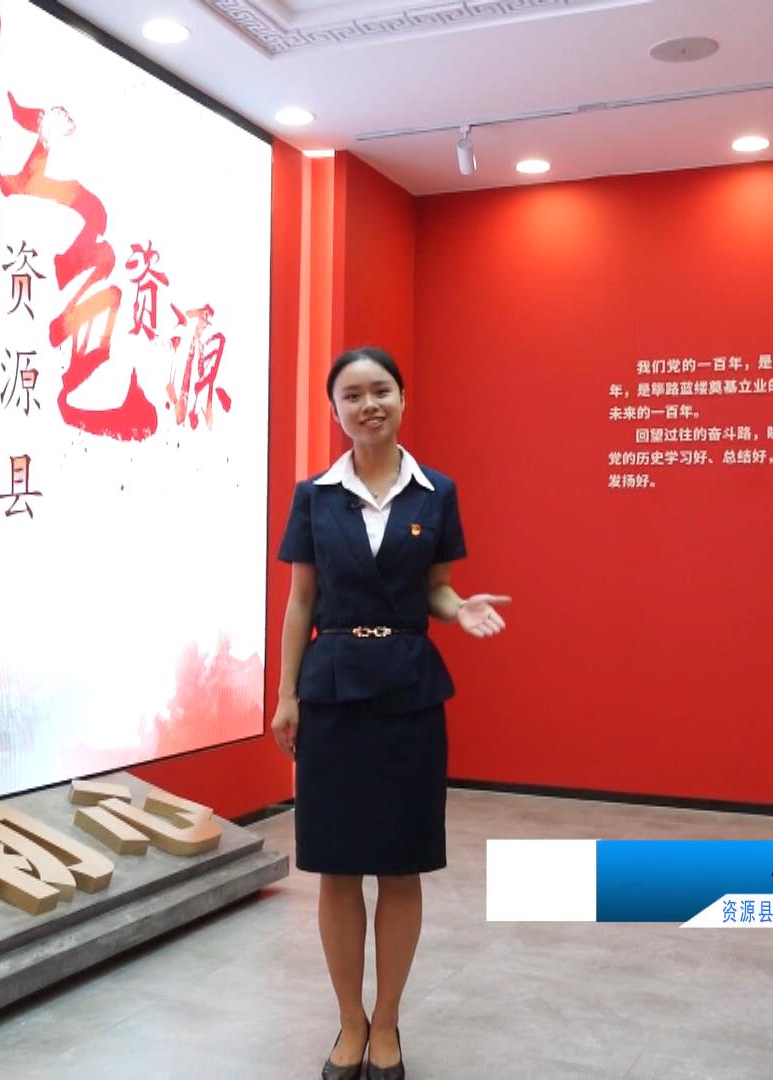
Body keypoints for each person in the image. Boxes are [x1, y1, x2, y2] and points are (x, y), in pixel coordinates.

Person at [273, 345, 509, 1080]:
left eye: (381, 391)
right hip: (333, 691)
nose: (368, 405)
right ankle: (350, 1021)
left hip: (409, 691)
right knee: (338, 866)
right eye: (353, 395)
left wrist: (458, 608)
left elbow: (437, 588)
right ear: (335, 409)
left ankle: (387, 1023)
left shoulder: (436, 492)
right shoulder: (315, 496)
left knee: (401, 867)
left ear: (403, 399)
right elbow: (302, 602)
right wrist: (285, 695)